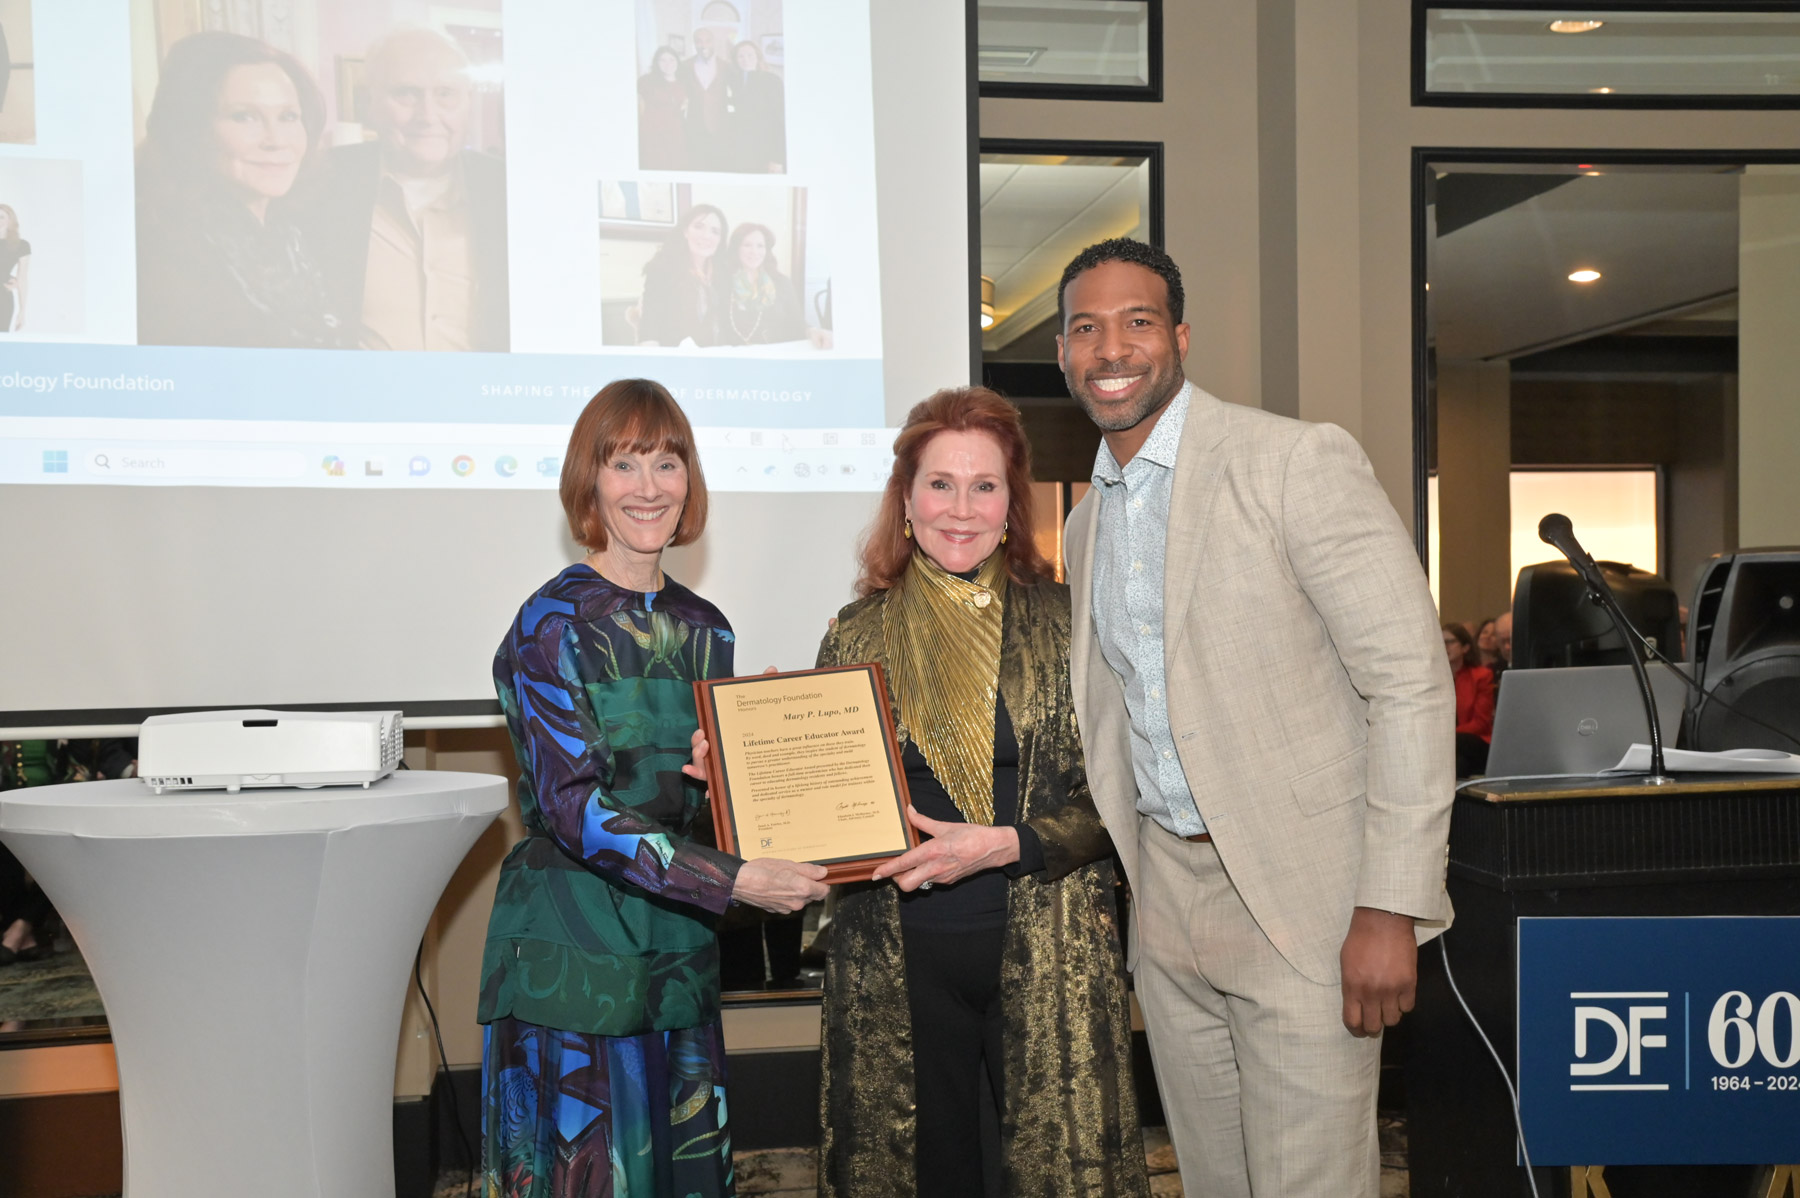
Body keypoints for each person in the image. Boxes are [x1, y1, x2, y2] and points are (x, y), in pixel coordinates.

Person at [1057, 238, 1454, 1198]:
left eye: (1136, 322)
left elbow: (1410, 683)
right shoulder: (1085, 524)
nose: (1111, 348)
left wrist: (1388, 906)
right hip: (1168, 911)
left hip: (1306, 907)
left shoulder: (1292, 461)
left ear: (1181, 337)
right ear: (1064, 356)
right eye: (1084, 328)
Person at [478, 379, 829, 1197]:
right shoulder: (550, 626)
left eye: (666, 463)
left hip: (675, 950)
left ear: (689, 481)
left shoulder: (708, 628)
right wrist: (732, 878)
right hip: (577, 956)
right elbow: (574, 811)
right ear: (590, 482)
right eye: (624, 463)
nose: (647, 487)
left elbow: (701, 808)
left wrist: (740, 775)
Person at [810, 388, 1148, 1197]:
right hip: (894, 959)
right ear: (906, 499)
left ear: (1010, 504)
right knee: (923, 1176)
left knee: (1052, 1173)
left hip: (1049, 949)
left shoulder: (1070, 623)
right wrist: (743, 777)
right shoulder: (855, 632)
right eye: (940, 484)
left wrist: (1011, 844)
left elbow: (1127, 788)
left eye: (984, 486)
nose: (960, 509)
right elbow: (824, 798)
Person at [135, 31, 347, 349]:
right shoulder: (165, 252)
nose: (275, 140)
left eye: (288, 116)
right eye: (244, 117)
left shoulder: (292, 234)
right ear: (191, 130)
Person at [304, 26, 509, 352]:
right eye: (406, 94)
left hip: (482, 396)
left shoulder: (507, 189)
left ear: (468, 102)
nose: (428, 115)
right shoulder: (318, 181)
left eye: (445, 94)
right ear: (370, 103)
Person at [636, 203, 725, 346]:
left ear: (720, 240)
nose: (707, 236)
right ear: (685, 231)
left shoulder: (722, 274)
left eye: (715, 231)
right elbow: (650, 326)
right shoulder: (662, 269)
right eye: (699, 226)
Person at [715, 222, 805, 345]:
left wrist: (812, 331)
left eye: (760, 246)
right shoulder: (722, 281)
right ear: (736, 248)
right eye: (747, 245)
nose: (754, 251)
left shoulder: (782, 283)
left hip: (772, 356)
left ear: (767, 250)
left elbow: (798, 324)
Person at [724, 40, 785, 173]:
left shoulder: (772, 80)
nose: (745, 59)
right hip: (740, 152)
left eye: (750, 55)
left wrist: (777, 158)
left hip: (765, 150)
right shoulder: (733, 81)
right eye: (741, 56)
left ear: (758, 57)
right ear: (735, 60)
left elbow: (779, 121)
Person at [1444, 622, 1495, 777]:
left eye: (1449, 642)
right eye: (1441, 642)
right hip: (1453, 746)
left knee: (1458, 742)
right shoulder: (1433, 679)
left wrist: (1447, 733)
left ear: (1465, 648)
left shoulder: (1481, 676)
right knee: (1460, 763)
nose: (1444, 647)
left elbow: (1480, 723)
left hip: (1475, 741)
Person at [680, 28, 734, 170]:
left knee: (719, 165)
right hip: (694, 125)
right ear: (694, 44)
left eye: (707, 41)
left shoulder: (726, 66)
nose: (703, 45)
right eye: (699, 41)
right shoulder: (685, 66)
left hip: (720, 125)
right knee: (696, 164)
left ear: (713, 42)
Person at [637, 46, 688, 170]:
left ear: (677, 62)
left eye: (671, 60)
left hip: (675, 134)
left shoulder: (684, 82)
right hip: (652, 134)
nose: (668, 64)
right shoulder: (646, 81)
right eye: (662, 60)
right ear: (656, 63)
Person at [0, 202, 27, 333]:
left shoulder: (21, 245)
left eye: (1, 217)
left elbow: (22, 279)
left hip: (3, 298)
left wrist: (22, 311)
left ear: (10, 220)